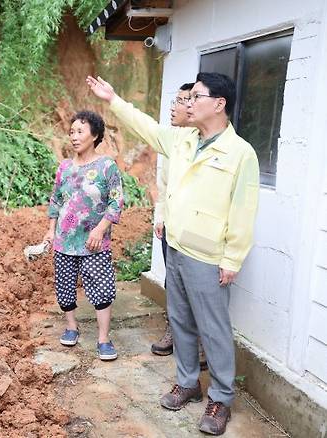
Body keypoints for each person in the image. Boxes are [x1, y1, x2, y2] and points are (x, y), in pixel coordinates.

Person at [86, 73, 259, 436]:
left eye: (196, 97)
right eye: (188, 97)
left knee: (213, 331)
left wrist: (232, 259)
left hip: (209, 256)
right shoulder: (183, 139)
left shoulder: (240, 153)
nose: (188, 103)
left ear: (219, 104)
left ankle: (221, 399)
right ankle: (188, 382)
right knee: (179, 322)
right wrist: (113, 99)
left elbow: (244, 209)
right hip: (177, 248)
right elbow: (146, 127)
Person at [44, 110, 124, 361]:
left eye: (80, 131)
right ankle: (71, 326)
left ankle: (103, 338)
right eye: (71, 132)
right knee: (65, 288)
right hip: (64, 240)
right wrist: (50, 230)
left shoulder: (106, 166)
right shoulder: (64, 168)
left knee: (102, 289)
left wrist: (100, 229)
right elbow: (56, 200)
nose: (74, 137)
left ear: (95, 135)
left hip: (94, 242)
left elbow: (116, 201)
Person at [150, 82, 208, 371]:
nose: (173, 107)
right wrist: (160, 215)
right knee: (173, 284)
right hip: (171, 224)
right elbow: (163, 184)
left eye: (180, 101)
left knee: (194, 286)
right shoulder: (171, 143)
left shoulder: (206, 143)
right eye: (173, 101)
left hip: (196, 229)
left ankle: (198, 342)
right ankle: (174, 330)